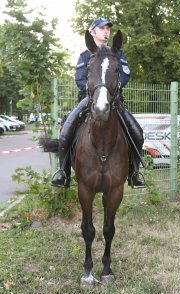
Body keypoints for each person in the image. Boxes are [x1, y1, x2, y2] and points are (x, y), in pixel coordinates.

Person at [51, 17, 145, 188]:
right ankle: (63, 174)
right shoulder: (85, 55)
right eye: (102, 28)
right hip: (89, 99)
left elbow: (124, 74)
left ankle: (134, 173)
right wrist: (97, 90)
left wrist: (110, 89)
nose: (106, 31)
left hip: (114, 100)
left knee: (137, 133)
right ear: (93, 32)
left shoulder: (118, 53)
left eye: (108, 29)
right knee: (65, 131)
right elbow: (79, 78)